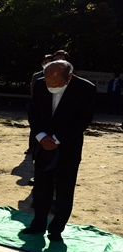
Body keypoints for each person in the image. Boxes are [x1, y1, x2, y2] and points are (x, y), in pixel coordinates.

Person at [22, 60, 96, 242]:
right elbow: (33, 113)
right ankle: (38, 223)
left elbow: (83, 120)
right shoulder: (40, 85)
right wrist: (40, 136)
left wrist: (56, 139)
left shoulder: (85, 89)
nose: (51, 86)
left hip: (68, 147)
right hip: (43, 145)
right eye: (48, 82)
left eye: (55, 84)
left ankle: (56, 229)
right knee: (41, 187)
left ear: (69, 78)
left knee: (64, 190)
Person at [26, 54, 54, 155]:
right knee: (34, 126)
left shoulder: (55, 75)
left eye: (49, 62)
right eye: (45, 62)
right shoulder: (36, 76)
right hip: (37, 104)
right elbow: (33, 91)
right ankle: (31, 147)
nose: (47, 64)